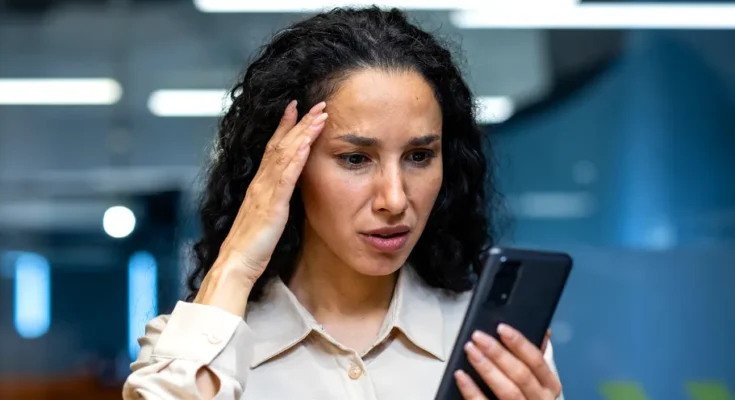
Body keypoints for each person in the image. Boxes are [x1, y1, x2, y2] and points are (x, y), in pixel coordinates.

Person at [123, 6, 564, 400]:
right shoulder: (191, 348)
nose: (394, 199)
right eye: (355, 158)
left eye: (419, 156)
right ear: (285, 167)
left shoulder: (492, 348)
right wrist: (236, 259)